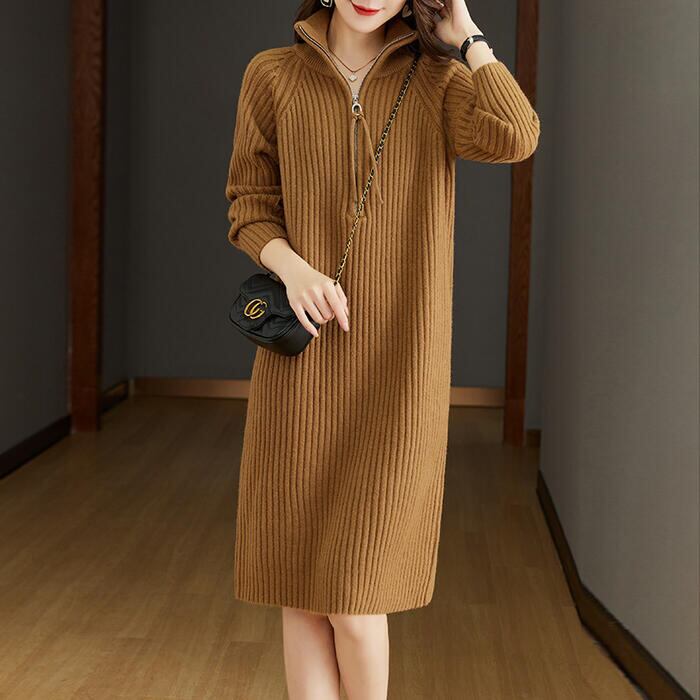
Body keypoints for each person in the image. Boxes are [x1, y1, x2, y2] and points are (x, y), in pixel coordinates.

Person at [225, 1, 540, 697]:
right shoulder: (272, 77)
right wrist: (295, 270)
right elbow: (249, 203)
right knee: (299, 593)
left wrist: (467, 35)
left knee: (357, 605)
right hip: (301, 375)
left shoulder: (438, 82)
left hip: (399, 376)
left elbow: (516, 134)